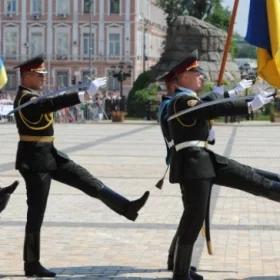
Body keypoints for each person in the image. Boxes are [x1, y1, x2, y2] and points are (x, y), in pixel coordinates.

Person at [13, 55, 150, 278]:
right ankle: (31, 263)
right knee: (36, 213)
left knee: (88, 181)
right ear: (27, 75)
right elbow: (50, 104)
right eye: (40, 75)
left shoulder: (32, 97)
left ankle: (127, 207)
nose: (43, 80)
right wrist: (84, 94)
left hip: (51, 155)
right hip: (34, 162)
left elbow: (49, 101)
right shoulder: (24, 99)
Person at [162, 54, 280, 280]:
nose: (201, 76)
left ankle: (180, 271)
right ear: (184, 76)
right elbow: (211, 108)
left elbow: (210, 103)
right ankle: (180, 275)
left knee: (253, 179)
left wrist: (244, 95)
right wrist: (250, 104)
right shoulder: (182, 101)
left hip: (204, 160)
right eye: (196, 73)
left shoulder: (187, 99)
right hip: (194, 166)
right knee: (193, 218)